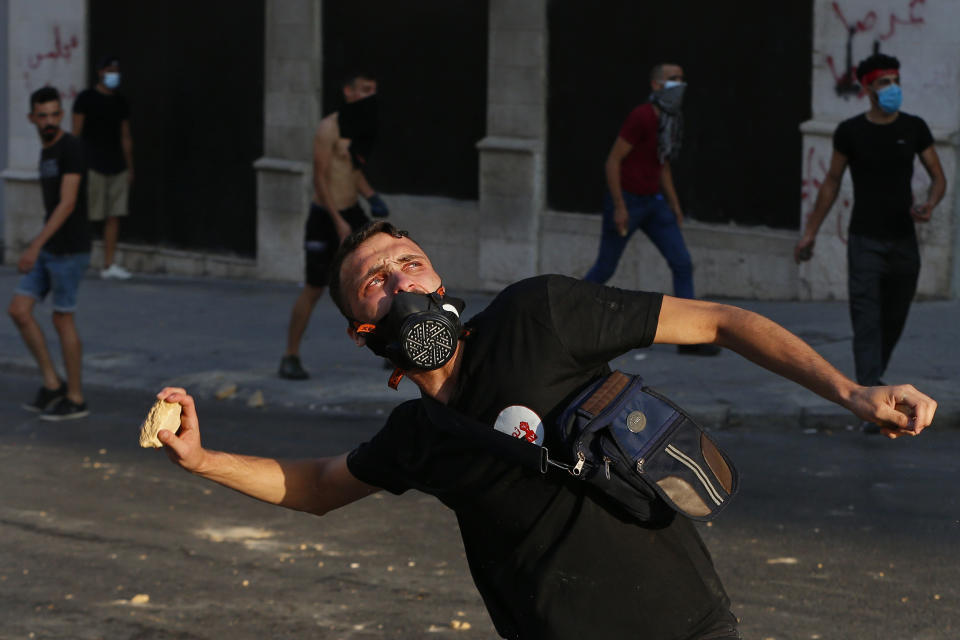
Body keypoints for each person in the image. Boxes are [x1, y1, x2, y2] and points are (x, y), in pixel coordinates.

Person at [156, 221, 936, 639]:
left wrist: (852, 392)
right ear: (365, 332)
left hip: (683, 626)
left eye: (412, 264)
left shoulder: (539, 315)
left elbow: (723, 321)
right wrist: (200, 459)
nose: (402, 283)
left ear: (441, 283)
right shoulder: (418, 433)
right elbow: (320, 487)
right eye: (378, 280)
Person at [795, 53, 945, 433]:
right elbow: (829, 183)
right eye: (883, 82)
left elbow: (938, 176)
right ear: (866, 88)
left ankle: (876, 382)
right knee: (866, 323)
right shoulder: (850, 131)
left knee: (893, 318)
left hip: (903, 243)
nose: (892, 88)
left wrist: (930, 201)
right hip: (864, 241)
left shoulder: (914, 127)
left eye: (896, 80)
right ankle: (872, 399)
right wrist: (811, 232)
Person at [584, 62, 718, 356]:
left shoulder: (670, 119)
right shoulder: (642, 116)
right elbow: (612, 161)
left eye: (682, 78)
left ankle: (690, 339)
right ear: (656, 85)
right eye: (673, 79)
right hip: (629, 202)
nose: (679, 84)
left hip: (654, 203)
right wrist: (619, 206)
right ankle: (569, 312)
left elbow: (663, 166)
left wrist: (674, 205)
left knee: (682, 263)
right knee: (605, 268)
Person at [278, 70, 390, 380]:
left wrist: (372, 196)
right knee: (314, 288)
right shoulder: (328, 128)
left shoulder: (359, 128)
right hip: (326, 216)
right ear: (349, 92)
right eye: (365, 88)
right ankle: (290, 356)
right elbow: (321, 179)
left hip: (352, 211)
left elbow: (352, 173)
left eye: (374, 89)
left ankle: (389, 348)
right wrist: (338, 221)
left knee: (379, 276)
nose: (370, 95)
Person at [7, 87, 92, 421]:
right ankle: (52, 383)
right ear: (32, 118)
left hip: (69, 249)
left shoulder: (70, 148)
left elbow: (68, 203)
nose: (49, 121)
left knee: (62, 318)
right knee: (19, 310)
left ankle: (76, 397)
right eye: (42, 116)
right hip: (50, 248)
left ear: (62, 115)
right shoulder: (47, 151)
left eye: (55, 114)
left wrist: (34, 245)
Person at [72, 55, 134, 280]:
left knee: (114, 215)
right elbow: (76, 134)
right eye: (109, 70)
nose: (113, 75)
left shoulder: (120, 101)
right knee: (87, 215)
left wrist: (129, 167)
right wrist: (75, 165)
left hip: (117, 165)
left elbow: (125, 135)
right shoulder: (85, 99)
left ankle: (108, 265)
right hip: (92, 165)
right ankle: (77, 260)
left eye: (116, 71)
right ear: (100, 72)